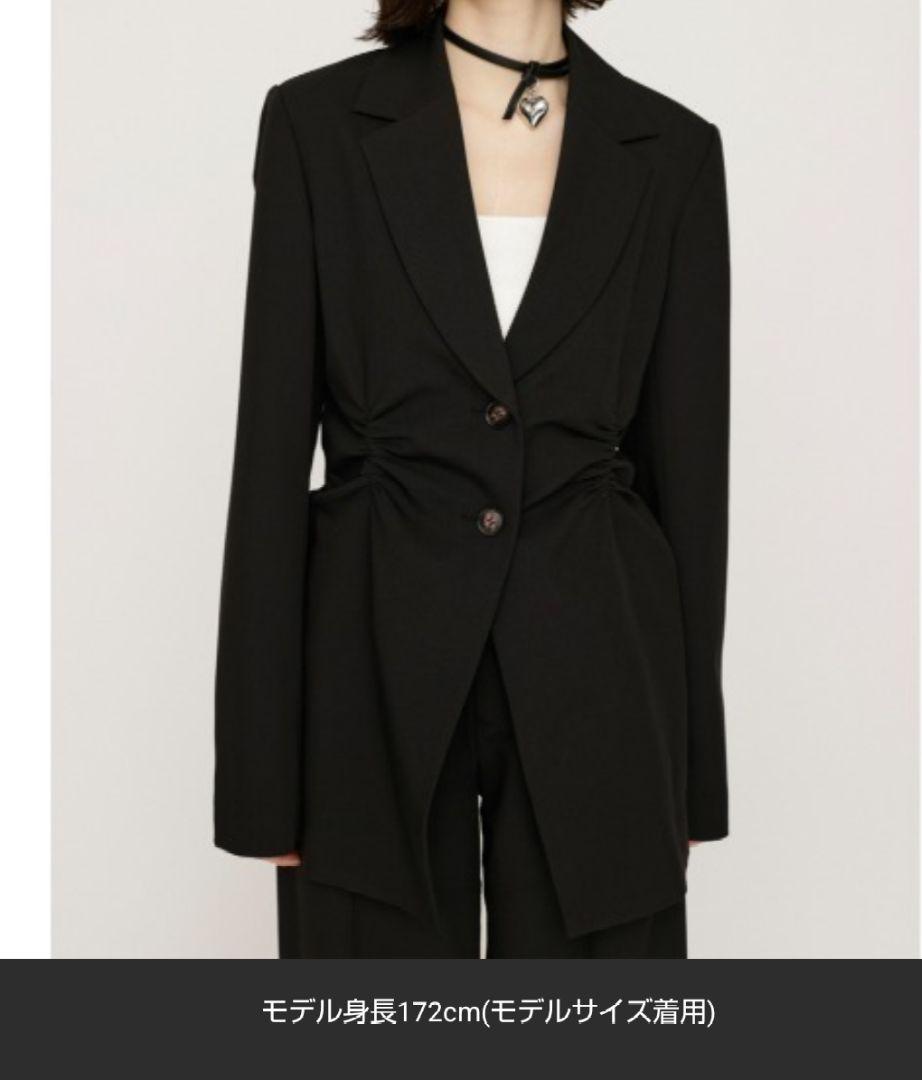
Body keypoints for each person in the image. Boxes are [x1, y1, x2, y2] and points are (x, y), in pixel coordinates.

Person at [214, 0, 731, 959]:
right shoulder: (317, 125)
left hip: (604, 672)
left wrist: (693, 772)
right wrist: (261, 774)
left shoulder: (672, 149)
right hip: (368, 664)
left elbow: (690, 481)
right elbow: (268, 456)